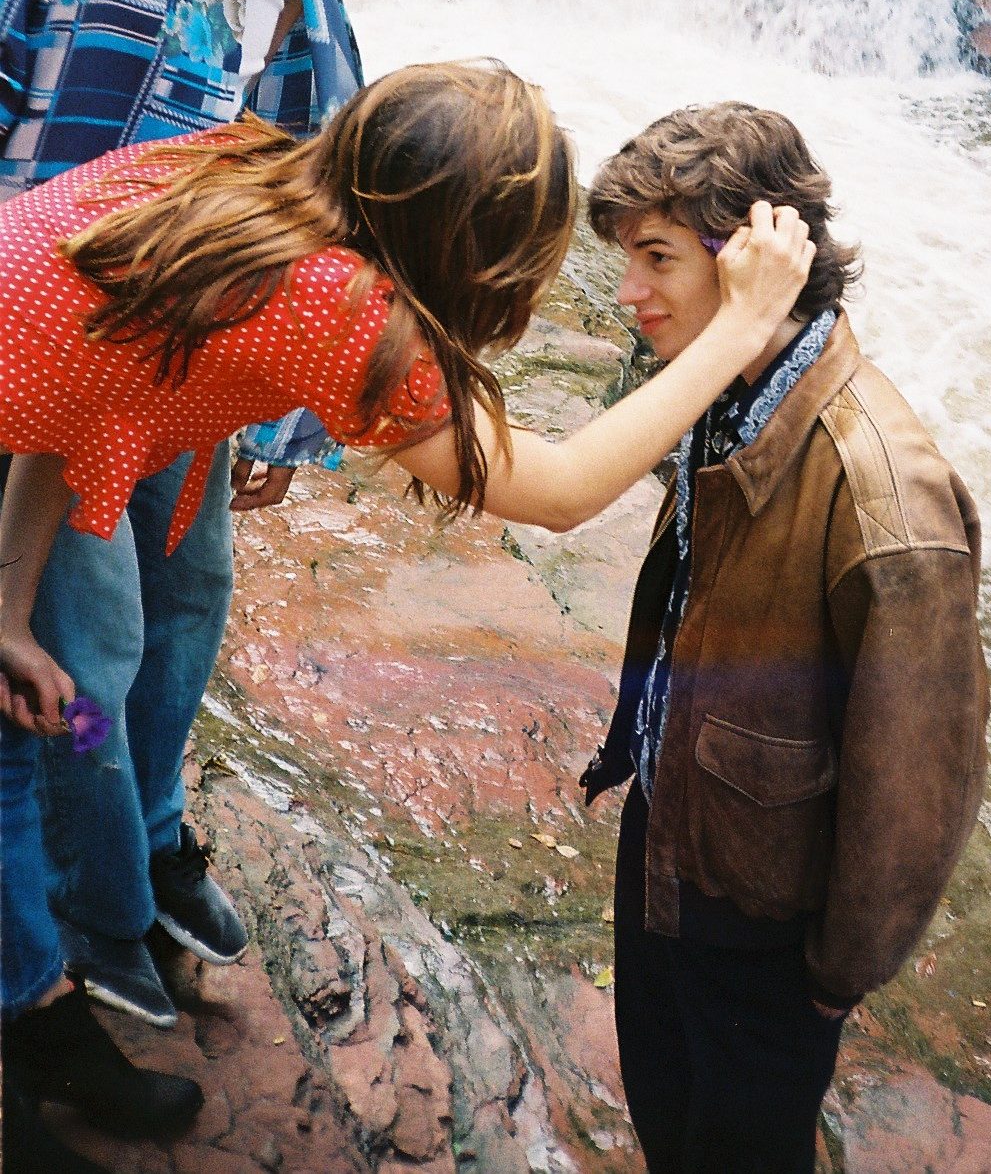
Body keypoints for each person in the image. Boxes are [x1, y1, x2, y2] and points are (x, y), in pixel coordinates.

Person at [0, 64, 813, 1171]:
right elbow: (561, 490)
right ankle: (32, 1040)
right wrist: (740, 328)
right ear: (471, 251)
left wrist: (9, 611)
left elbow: (67, 384)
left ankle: (55, 988)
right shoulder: (340, 313)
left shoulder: (249, 170)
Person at [0, 0, 454, 1167]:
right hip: (44, 372)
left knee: (185, 605)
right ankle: (71, 949)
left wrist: (288, 411)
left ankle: (147, 843)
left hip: (184, 360)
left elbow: (308, 164)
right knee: (76, 659)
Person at [581, 102, 990, 1174]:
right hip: (674, 839)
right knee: (668, 1113)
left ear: (756, 255)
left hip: (762, 919)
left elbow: (918, 789)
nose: (628, 294)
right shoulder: (723, 388)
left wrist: (835, 977)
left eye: (657, 258)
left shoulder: (885, 495)